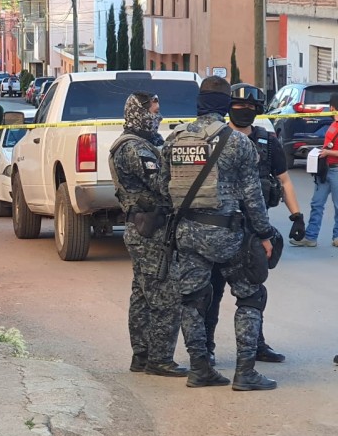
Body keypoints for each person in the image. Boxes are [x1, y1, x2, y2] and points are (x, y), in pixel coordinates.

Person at [160, 76, 277, 391]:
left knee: (192, 300)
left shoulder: (173, 139)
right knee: (251, 295)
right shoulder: (236, 141)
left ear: (198, 104)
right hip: (225, 232)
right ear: (225, 104)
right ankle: (245, 372)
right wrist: (265, 234)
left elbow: (162, 188)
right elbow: (252, 196)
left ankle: (200, 368)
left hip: (186, 232)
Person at [204, 83, 305, 366]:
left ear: (258, 110)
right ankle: (207, 350)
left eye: (250, 107)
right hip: (218, 228)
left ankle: (256, 345)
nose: (244, 111)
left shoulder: (267, 141)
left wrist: (296, 215)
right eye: (238, 106)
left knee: (253, 292)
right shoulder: (215, 139)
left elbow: (284, 181)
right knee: (211, 292)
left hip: (252, 231)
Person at [109, 92, 187, 377]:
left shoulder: (143, 143)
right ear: (140, 112)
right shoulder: (134, 148)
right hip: (149, 229)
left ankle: (142, 356)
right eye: (154, 109)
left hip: (144, 227)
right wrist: (172, 151)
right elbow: (162, 185)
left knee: (142, 293)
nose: (158, 115)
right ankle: (160, 359)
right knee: (166, 295)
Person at [290, 93, 338, 247]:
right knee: (317, 203)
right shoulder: (332, 125)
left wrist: (328, 152)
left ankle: (337, 237)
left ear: (332, 108)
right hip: (325, 171)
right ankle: (311, 237)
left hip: (336, 171)